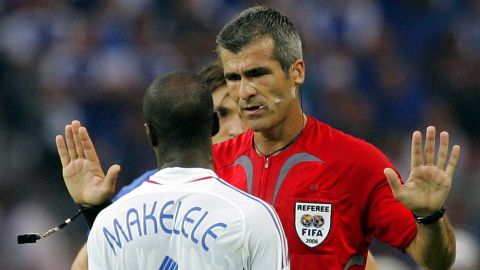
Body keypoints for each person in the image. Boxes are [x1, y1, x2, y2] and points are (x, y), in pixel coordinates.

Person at [60, 6, 460, 269]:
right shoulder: (206, 165)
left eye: (258, 74)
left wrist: (430, 216)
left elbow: (435, 260)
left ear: (297, 71)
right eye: (234, 77)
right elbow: (110, 261)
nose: (244, 91)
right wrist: (97, 211)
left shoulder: (357, 162)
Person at [56, 71, 289, 269]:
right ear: (213, 122)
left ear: (150, 134)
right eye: (225, 114)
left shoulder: (282, 191)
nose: (236, 129)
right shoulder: (255, 214)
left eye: (244, 114)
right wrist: (94, 210)